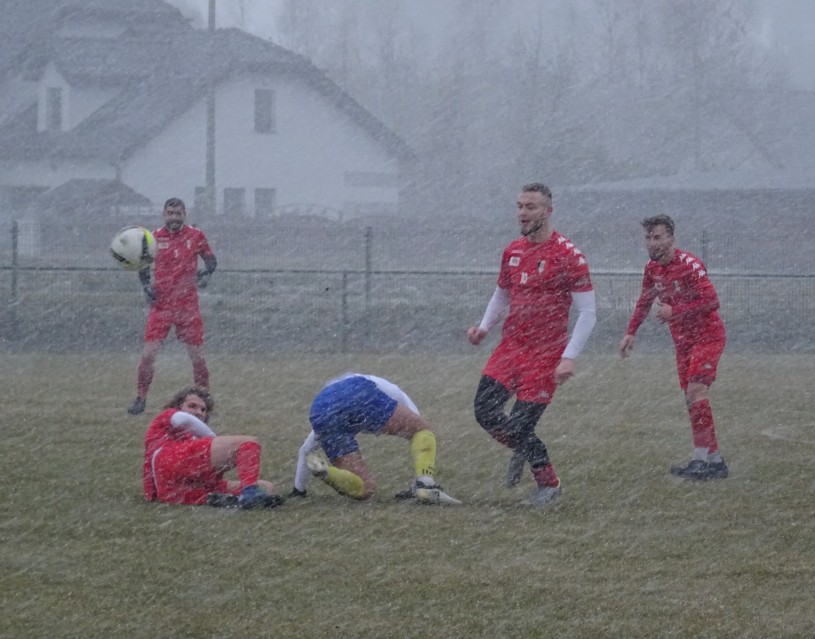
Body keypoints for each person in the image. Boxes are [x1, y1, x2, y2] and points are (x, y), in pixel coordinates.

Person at [466, 182, 597, 505]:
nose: (523, 213)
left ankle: (548, 484)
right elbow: (502, 294)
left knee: (522, 425)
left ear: (548, 211)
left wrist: (569, 357)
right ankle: (524, 448)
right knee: (484, 410)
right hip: (511, 348)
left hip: (546, 354)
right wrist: (484, 327)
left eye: (531, 207)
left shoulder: (569, 256)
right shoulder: (512, 251)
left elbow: (588, 312)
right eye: (520, 206)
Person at [619, 214, 728, 480]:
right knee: (691, 399)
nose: (652, 243)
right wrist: (631, 332)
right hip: (683, 342)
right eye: (648, 238)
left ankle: (701, 460)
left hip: (707, 336)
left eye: (657, 237)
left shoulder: (689, 265)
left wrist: (675, 311)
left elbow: (712, 301)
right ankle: (714, 461)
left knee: (696, 392)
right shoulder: (652, 269)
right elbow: (645, 301)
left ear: (671, 238)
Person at [291, 373, 461, 505]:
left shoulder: (332, 396)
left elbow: (305, 451)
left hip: (320, 407)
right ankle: (426, 485)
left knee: (365, 488)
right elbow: (419, 432)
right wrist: (420, 475)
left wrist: (298, 491)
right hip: (359, 392)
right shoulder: (392, 391)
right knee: (422, 430)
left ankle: (326, 472)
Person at [128, 197, 217, 415]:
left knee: (197, 356)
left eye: (178, 214)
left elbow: (211, 261)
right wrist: (146, 286)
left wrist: (205, 275)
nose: (174, 218)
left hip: (188, 306)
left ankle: (205, 402)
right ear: (164, 214)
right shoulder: (154, 238)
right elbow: (143, 267)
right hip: (162, 305)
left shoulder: (196, 236)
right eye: (170, 213)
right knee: (148, 355)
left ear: (184, 214)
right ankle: (141, 398)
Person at [142, 386, 283, 508]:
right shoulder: (168, 415)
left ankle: (222, 499)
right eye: (192, 406)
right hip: (167, 462)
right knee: (249, 443)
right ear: (178, 406)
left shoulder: (194, 436)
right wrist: (213, 438)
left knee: (267, 487)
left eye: (203, 410)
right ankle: (249, 494)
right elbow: (183, 419)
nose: (199, 412)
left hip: (172, 490)